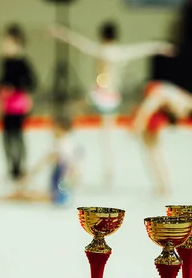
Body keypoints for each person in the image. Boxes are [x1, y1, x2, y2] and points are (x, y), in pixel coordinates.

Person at [49, 21, 175, 185]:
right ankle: (109, 170)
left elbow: (79, 42)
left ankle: (70, 157)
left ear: (102, 36)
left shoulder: (100, 50)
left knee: (69, 114)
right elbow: (142, 49)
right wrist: (162, 46)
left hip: (98, 97)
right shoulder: (119, 52)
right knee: (107, 135)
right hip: (111, 99)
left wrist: (60, 32)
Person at [131, 81, 192, 195]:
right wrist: (137, 127)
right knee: (152, 152)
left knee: (153, 152)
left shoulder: (182, 100)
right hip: (153, 99)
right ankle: (162, 185)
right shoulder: (159, 98)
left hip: (161, 102)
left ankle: (163, 185)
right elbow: (144, 112)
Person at [0, 115, 79, 206]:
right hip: (61, 192)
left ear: (61, 129)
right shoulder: (66, 145)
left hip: (59, 195)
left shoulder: (61, 147)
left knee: (16, 196)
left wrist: (24, 181)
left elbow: (40, 167)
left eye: (54, 127)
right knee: (19, 195)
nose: (51, 130)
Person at [0, 24, 37, 181]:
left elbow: (31, 82)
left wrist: (15, 87)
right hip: (6, 104)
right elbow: (2, 80)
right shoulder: (4, 61)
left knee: (17, 136)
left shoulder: (22, 62)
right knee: (7, 136)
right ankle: (12, 166)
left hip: (18, 104)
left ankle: (20, 166)